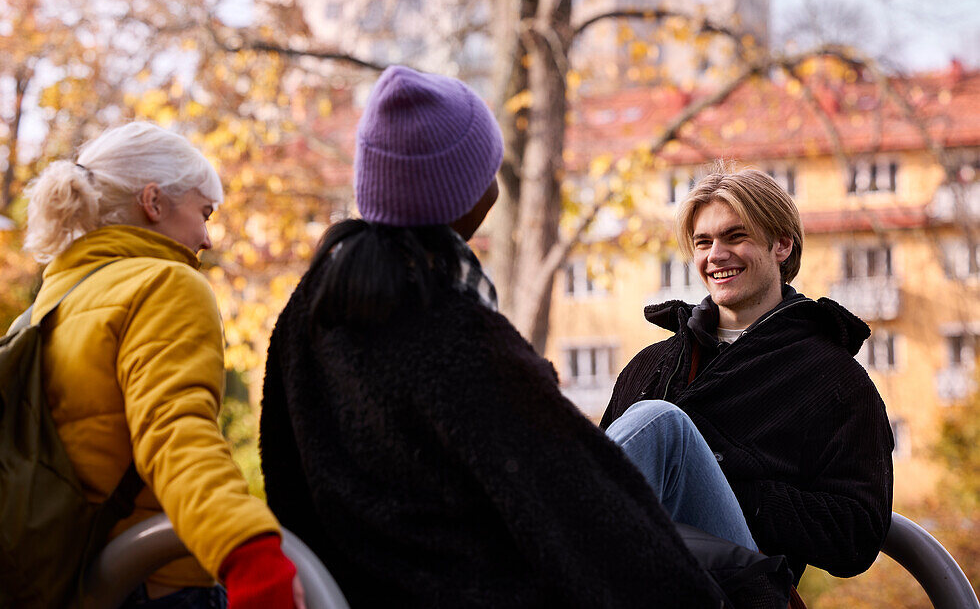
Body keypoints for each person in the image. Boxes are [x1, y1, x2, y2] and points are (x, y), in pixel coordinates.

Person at [259, 66, 724, 607]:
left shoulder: (312, 304)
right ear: (466, 196)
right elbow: (587, 512)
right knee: (664, 430)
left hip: (347, 588)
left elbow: (284, 482)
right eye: (489, 166)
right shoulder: (458, 339)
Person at [23, 121, 300, 609]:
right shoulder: (166, 284)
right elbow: (175, 433)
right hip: (156, 586)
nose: (207, 239)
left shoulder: (51, 301)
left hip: (71, 581)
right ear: (153, 202)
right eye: (204, 213)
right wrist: (249, 552)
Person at [600, 164, 894, 583]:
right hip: (635, 571)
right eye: (703, 242)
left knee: (660, 422)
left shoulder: (834, 380)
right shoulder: (651, 367)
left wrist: (736, 489)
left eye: (735, 236)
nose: (715, 255)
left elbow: (857, 535)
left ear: (782, 245)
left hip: (735, 585)